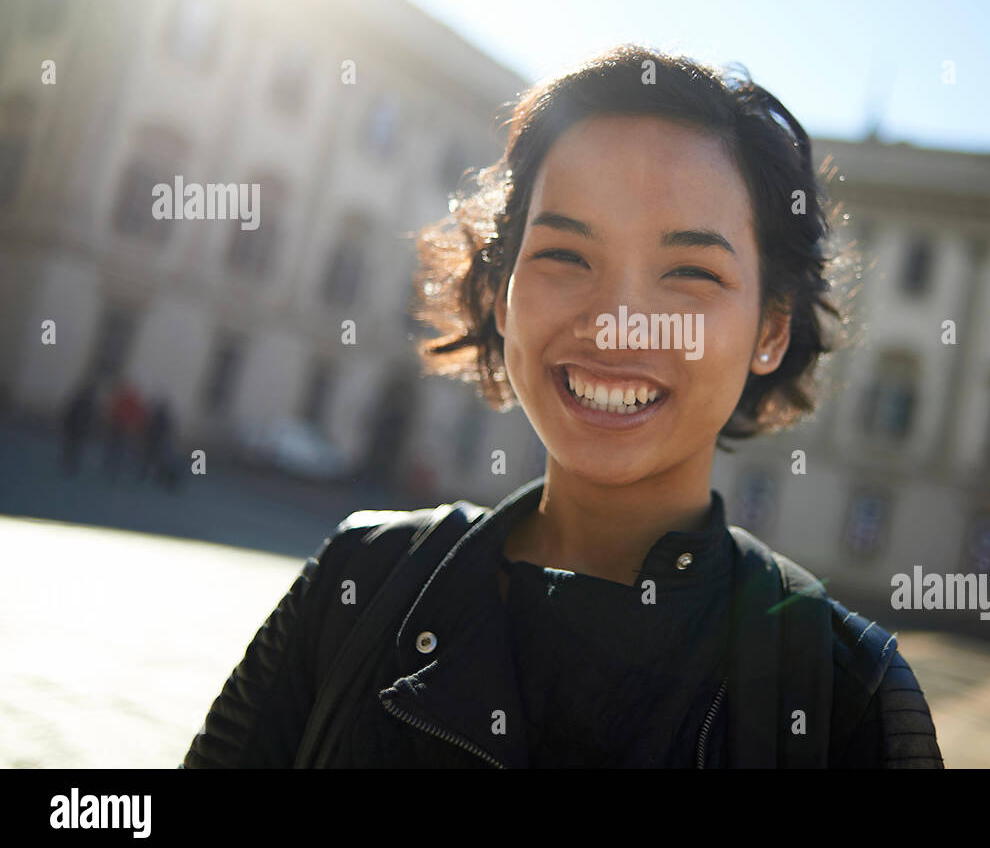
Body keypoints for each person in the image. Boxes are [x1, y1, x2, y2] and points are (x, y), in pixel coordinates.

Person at [182, 44, 943, 768]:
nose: (617, 323)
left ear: (771, 329)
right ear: (500, 291)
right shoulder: (356, 584)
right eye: (565, 255)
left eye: (690, 272)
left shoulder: (849, 695)